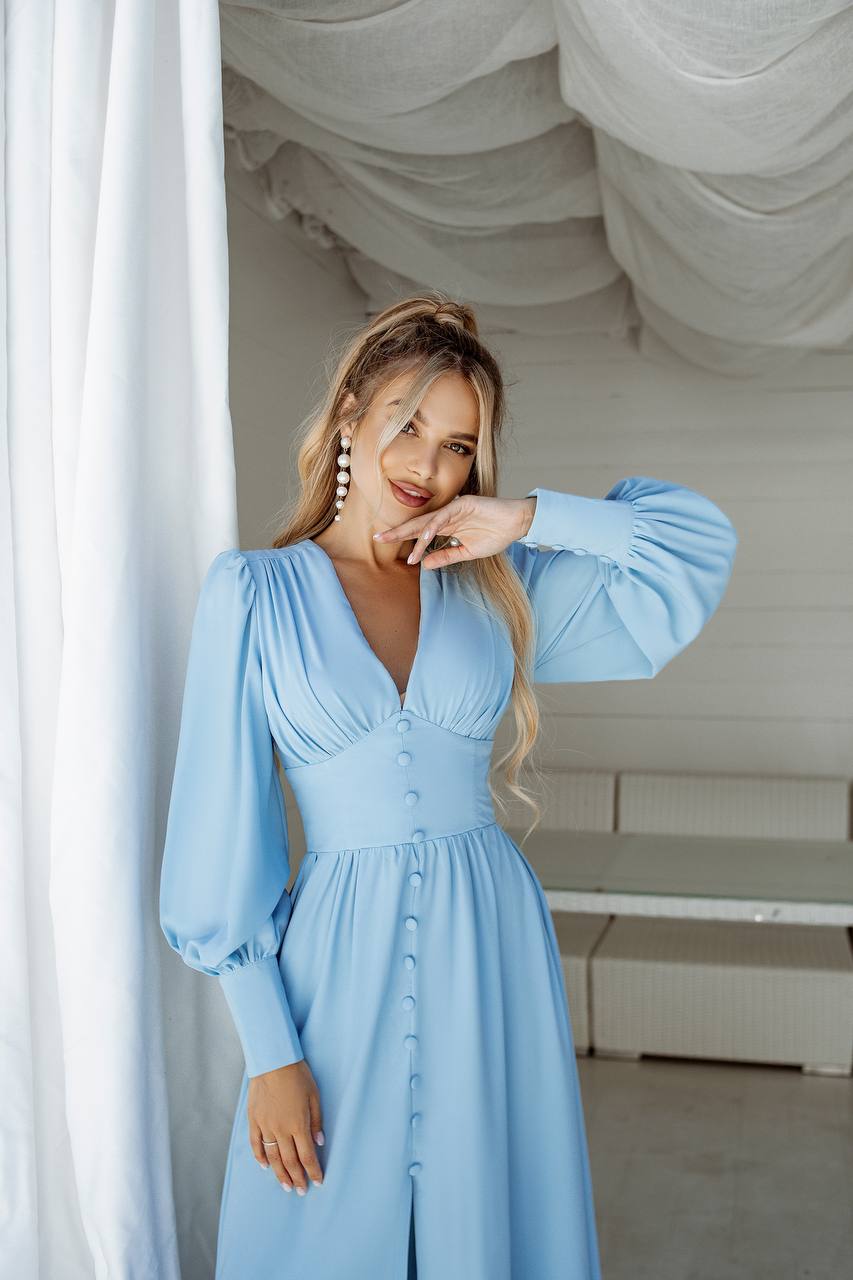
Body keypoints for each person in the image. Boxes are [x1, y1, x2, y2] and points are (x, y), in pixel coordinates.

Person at [159, 290, 738, 1279]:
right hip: (337, 958)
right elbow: (220, 834)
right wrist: (269, 1048)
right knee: (318, 1217)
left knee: (488, 1216)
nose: (429, 465)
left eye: (461, 445)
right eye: (410, 424)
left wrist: (523, 518)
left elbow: (694, 549)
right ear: (350, 416)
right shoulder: (254, 593)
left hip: (490, 943)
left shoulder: (494, 588)